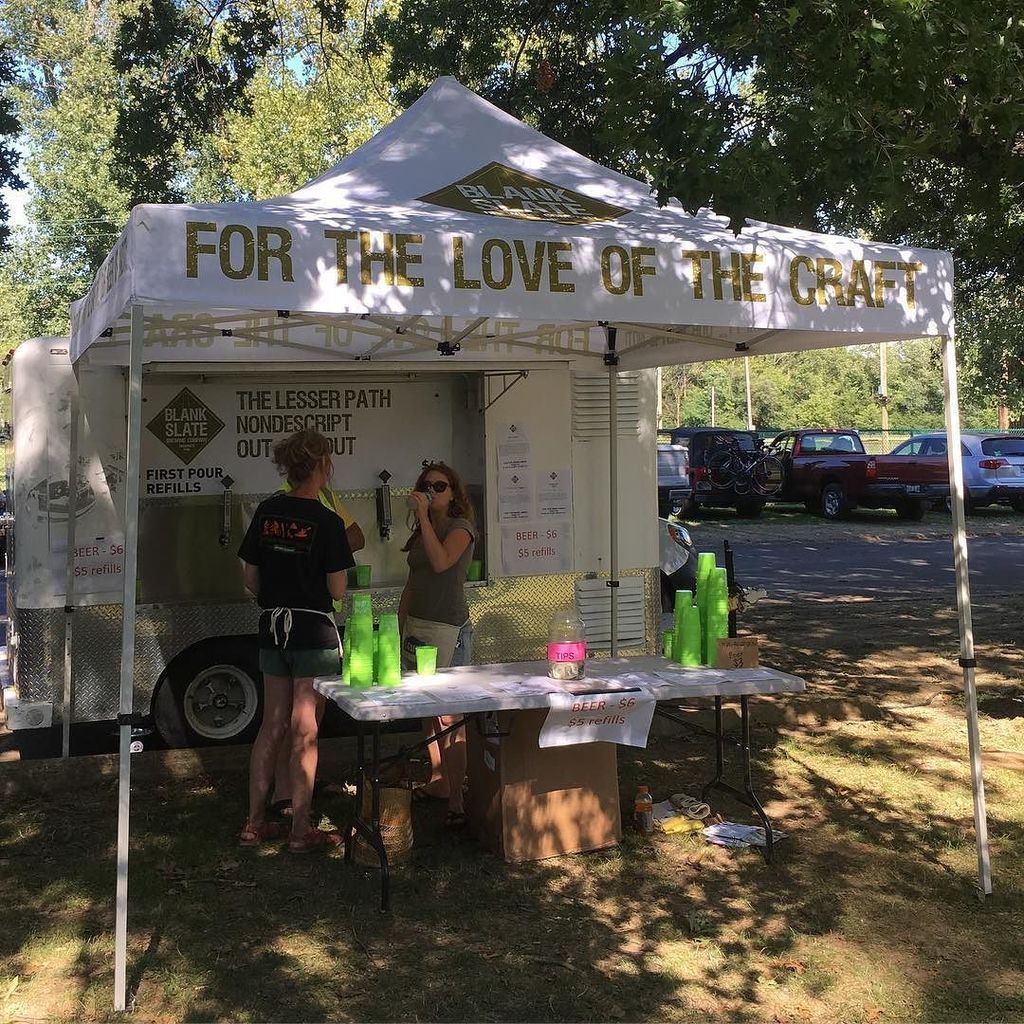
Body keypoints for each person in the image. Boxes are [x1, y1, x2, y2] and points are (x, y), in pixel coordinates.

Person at [237, 430, 355, 853]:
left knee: (272, 724)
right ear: (324, 466)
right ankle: (300, 830)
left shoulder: (268, 511)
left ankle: (254, 823)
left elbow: (249, 577)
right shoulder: (327, 521)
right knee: (306, 727)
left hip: (272, 627)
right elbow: (339, 590)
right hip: (312, 631)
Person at [267, 477, 365, 818]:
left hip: (320, 615)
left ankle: (301, 785)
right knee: (292, 718)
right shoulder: (279, 500)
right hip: (303, 618)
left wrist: (326, 549)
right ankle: (284, 795)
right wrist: (323, 551)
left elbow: (357, 536)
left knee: (310, 714)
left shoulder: (326, 496)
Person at [399, 461, 477, 828]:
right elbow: (413, 580)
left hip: (448, 627)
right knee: (427, 709)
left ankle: (459, 798)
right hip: (417, 625)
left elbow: (442, 562)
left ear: (454, 492)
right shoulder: (421, 530)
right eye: (426, 485)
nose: (432, 491)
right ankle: (438, 781)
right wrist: (400, 624)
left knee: (450, 713)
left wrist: (425, 519)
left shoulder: (460, 528)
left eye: (440, 486)